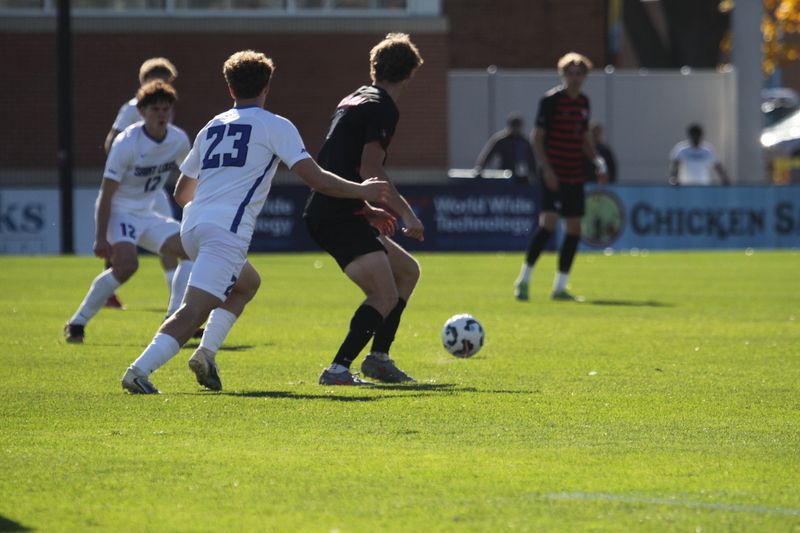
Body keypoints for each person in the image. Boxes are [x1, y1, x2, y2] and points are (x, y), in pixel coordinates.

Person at [120, 50, 389, 394]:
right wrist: (362, 190)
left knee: (247, 283)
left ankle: (206, 354)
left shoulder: (212, 125)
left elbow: (181, 192)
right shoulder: (275, 125)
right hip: (224, 232)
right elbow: (318, 179)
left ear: (230, 89)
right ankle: (139, 371)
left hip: (192, 227)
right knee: (192, 312)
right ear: (267, 86)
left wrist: (209, 213)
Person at [303, 33, 425, 386]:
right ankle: (338, 369)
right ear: (409, 74)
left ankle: (379, 360)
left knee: (406, 272)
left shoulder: (352, 98)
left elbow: (341, 160)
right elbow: (371, 169)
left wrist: (367, 207)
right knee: (384, 294)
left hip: (339, 207)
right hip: (333, 213)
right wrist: (407, 213)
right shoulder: (383, 105)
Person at [64, 80, 193, 343]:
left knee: (193, 248)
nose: (161, 115)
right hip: (120, 212)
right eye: (155, 109)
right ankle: (77, 323)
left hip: (147, 213)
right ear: (142, 112)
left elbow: (190, 177)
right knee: (127, 266)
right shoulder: (127, 142)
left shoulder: (178, 139)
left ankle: (172, 319)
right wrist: (100, 237)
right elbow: (106, 192)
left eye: (166, 109)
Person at [513, 52, 607, 302]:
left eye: (579, 74)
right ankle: (523, 280)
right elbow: (536, 139)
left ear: (585, 76)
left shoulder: (584, 103)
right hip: (554, 174)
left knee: (574, 228)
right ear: (563, 75)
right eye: (570, 74)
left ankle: (560, 287)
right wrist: (547, 170)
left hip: (575, 174)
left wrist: (598, 162)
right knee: (549, 225)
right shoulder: (551, 101)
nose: (574, 78)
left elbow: (584, 140)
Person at [102, 57, 185, 311]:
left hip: (154, 186)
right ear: (144, 82)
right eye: (156, 80)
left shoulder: (165, 109)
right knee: (121, 242)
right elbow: (113, 140)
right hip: (130, 188)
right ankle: (108, 292)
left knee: (172, 238)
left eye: (166, 81)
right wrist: (121, 171)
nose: (162, 86)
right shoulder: (132, 108)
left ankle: (176, 298)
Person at [474, 113, 538, 184]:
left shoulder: (526, 142)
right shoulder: (501, 140)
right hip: (505, 176)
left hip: (524, 177)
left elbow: (533, 160)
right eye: (514, 126)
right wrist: (480, 167)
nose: (516, 129)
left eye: (518, 126)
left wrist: (536, 176)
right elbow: (488, 154)